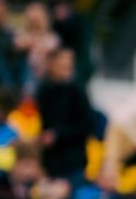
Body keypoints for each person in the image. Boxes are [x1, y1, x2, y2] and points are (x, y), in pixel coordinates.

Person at [36, 48, 94, 182]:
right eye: (61, 66)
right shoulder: (42, 90)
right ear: (50, 64)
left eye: (68, 67)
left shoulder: (77, 92)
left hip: (72, 161)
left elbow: (86, 126)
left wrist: (57, 134)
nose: (65, 72)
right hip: (47, 159)